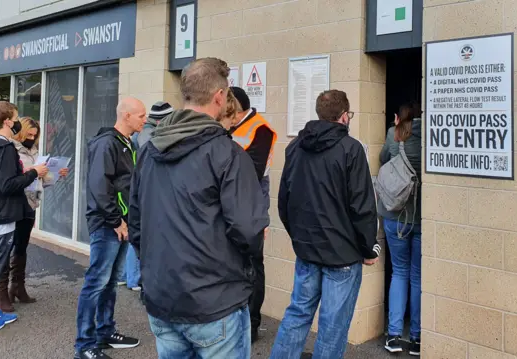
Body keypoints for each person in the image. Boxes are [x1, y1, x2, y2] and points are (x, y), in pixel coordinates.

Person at [128, 57, 268, 359]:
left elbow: (136, 224)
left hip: (163, 300)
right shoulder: (228, 155)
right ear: (220, 96)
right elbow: (249, 231)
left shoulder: (150, 151)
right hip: (214, 306)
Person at [270, 90, 380, 359]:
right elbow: (362, 206)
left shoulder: (295, 146)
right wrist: (369, 248)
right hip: (342, 255)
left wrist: (298, 236)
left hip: (307, 251)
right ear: (344, 116)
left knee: (297, 314)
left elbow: (284, 200)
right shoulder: (351, 149)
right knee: (333, 327)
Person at [74, 97, 146, 359]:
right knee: (96, 283)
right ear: (126, 116)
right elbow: (99, 187)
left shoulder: (128, 143)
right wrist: (117, 221)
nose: (145, 119)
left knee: (110, 283)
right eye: (140, 115)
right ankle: (84, 346)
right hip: (108, 225)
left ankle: (105, 332)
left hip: (121, 224)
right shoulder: (107, 143)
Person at [0, 101, 48, 337]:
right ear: (7, 122)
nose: (17, 122)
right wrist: (34, 172)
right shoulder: (5, 149)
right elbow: (7, 185)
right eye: (15, 118)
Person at [0, 117, 69, 312]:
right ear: (21, 132)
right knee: (7, 246)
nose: (32, 138)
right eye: (29, 134)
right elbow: (9, 180)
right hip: (13, 204)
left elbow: (41, 181)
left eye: (35, 136)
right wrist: (31, 171)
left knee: (21, 247)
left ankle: (17, 286)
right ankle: (1, 293)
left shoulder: (34, 152)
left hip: (30, 203)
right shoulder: (9, 149)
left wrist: (54, 174)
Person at [228, 86, 277, 342]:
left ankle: (252, 324)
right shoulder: (229, 127)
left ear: (235, 109)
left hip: (251, 205)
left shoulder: (260, 129)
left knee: (252, 266)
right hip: (231, 203)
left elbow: (252, 172)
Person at [379, 102, 422, 356]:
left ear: (398, 117)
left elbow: (383, 158)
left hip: (395, 215)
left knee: (399, 272)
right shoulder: (429, 136)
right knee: (418, 276)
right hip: (422, 217)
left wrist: (394, 131)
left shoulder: (392, 134)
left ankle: (394, 335)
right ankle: (416, 338)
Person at [119, 101, 174, 292]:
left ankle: (125, 275)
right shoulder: (149, 136)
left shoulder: (142, 134)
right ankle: (134, 278)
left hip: (136, 189)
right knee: (138, 234)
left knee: (133, 232)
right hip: (142, 190)